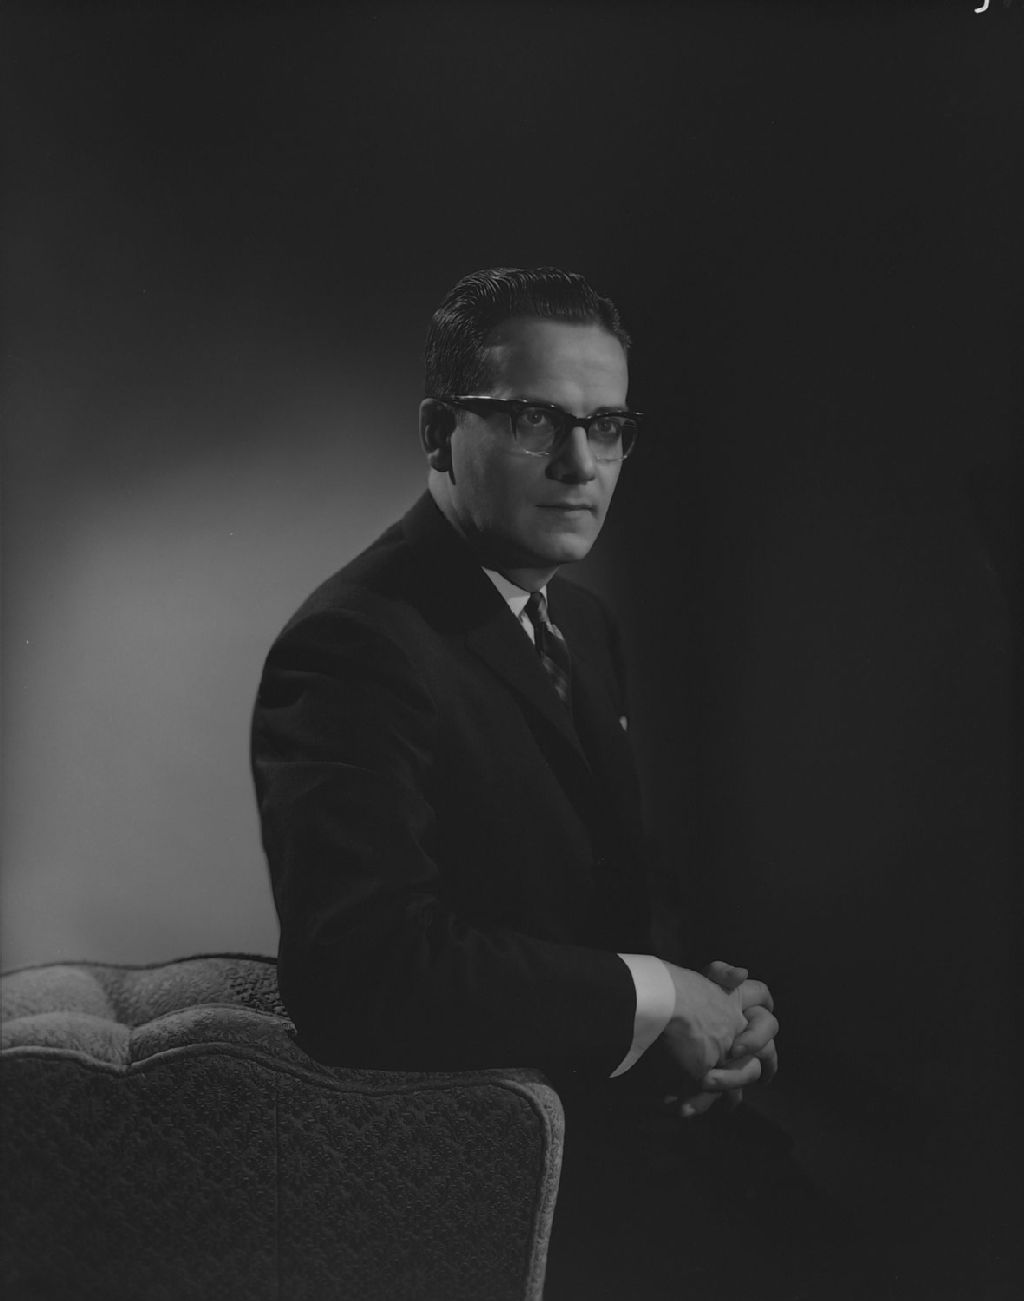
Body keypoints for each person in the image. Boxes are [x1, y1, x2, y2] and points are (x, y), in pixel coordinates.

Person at [251, 267, 790, 1296]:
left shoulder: (579, 620)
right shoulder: (354, 642)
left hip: (647, 1135)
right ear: (436, 433)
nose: (581, 463)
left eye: (608, 424)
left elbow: (599, 892)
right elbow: (361, 972)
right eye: (535, 418)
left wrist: (714, 1002)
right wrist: (655, 995)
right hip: (516, 1193)